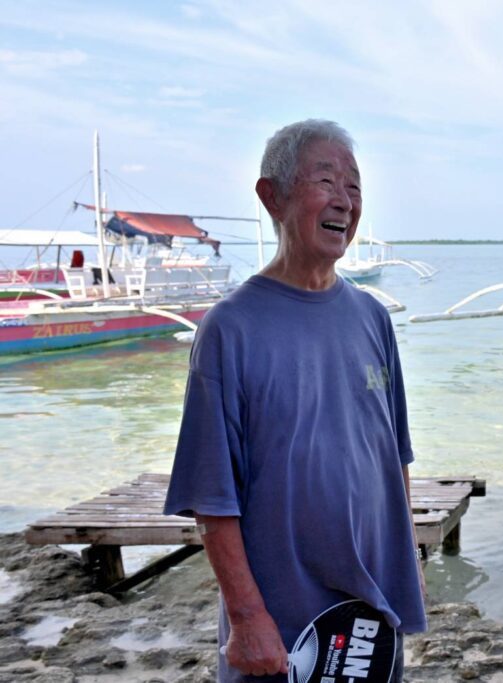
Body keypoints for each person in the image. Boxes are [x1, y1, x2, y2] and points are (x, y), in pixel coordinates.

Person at [163, 119, 427, 682]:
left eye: (355, 187)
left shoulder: (373, 317)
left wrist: (409, 567)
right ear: (272, 195)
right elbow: (212, 497)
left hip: (370, 617)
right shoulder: (229, 330)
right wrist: (246, 616)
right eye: (326, 180)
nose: (345, 201)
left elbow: (394, 457)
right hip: (281, 630)